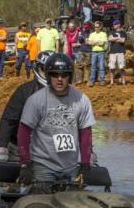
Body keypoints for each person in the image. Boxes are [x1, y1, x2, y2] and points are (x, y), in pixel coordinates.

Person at [17, 53, 95, 191]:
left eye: (64, 75)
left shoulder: (82, 100)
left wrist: (85, 164)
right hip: (43, 165)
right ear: (48, 76)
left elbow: (86, 134)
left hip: (71, 166)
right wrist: (25, 164)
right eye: (55, 75)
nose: (59, 79)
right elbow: (23, 133)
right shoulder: (36, 100)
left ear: (70, 77)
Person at [0, 51, 54, 163]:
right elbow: (9, 120)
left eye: (52, 71)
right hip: (20, 148)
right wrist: (2, 147)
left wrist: (88, 153)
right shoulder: (24, 91)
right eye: (45, 70)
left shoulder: (69, 95)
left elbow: (80, 125)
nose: (49, 74)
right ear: (37, 69)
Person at [87, 21, 108, 86]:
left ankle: (102, 80)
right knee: (93, 66)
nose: (96, 28)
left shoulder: (103, 34)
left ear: (100, 27)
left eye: (97, 27)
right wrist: (97, 42)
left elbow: (102, 43)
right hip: (94, 52)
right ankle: (92, 81)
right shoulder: (92, 34)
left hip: (101, 52)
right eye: (95, 27)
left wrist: (94, 42)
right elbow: (89, 42)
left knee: (101, 66)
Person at [107, 19, 126, 85]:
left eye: (115, 24)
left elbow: (123, 40)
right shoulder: (112, 32)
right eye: (113, 24)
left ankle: (123, 81)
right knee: (112, 67)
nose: (113, 25)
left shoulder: (123, 32)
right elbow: (109, 39)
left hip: (121, 51)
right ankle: (112, 81)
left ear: (119, 25)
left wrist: (114, 39)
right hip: (112, 52)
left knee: (121, 67)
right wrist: (117, 38)